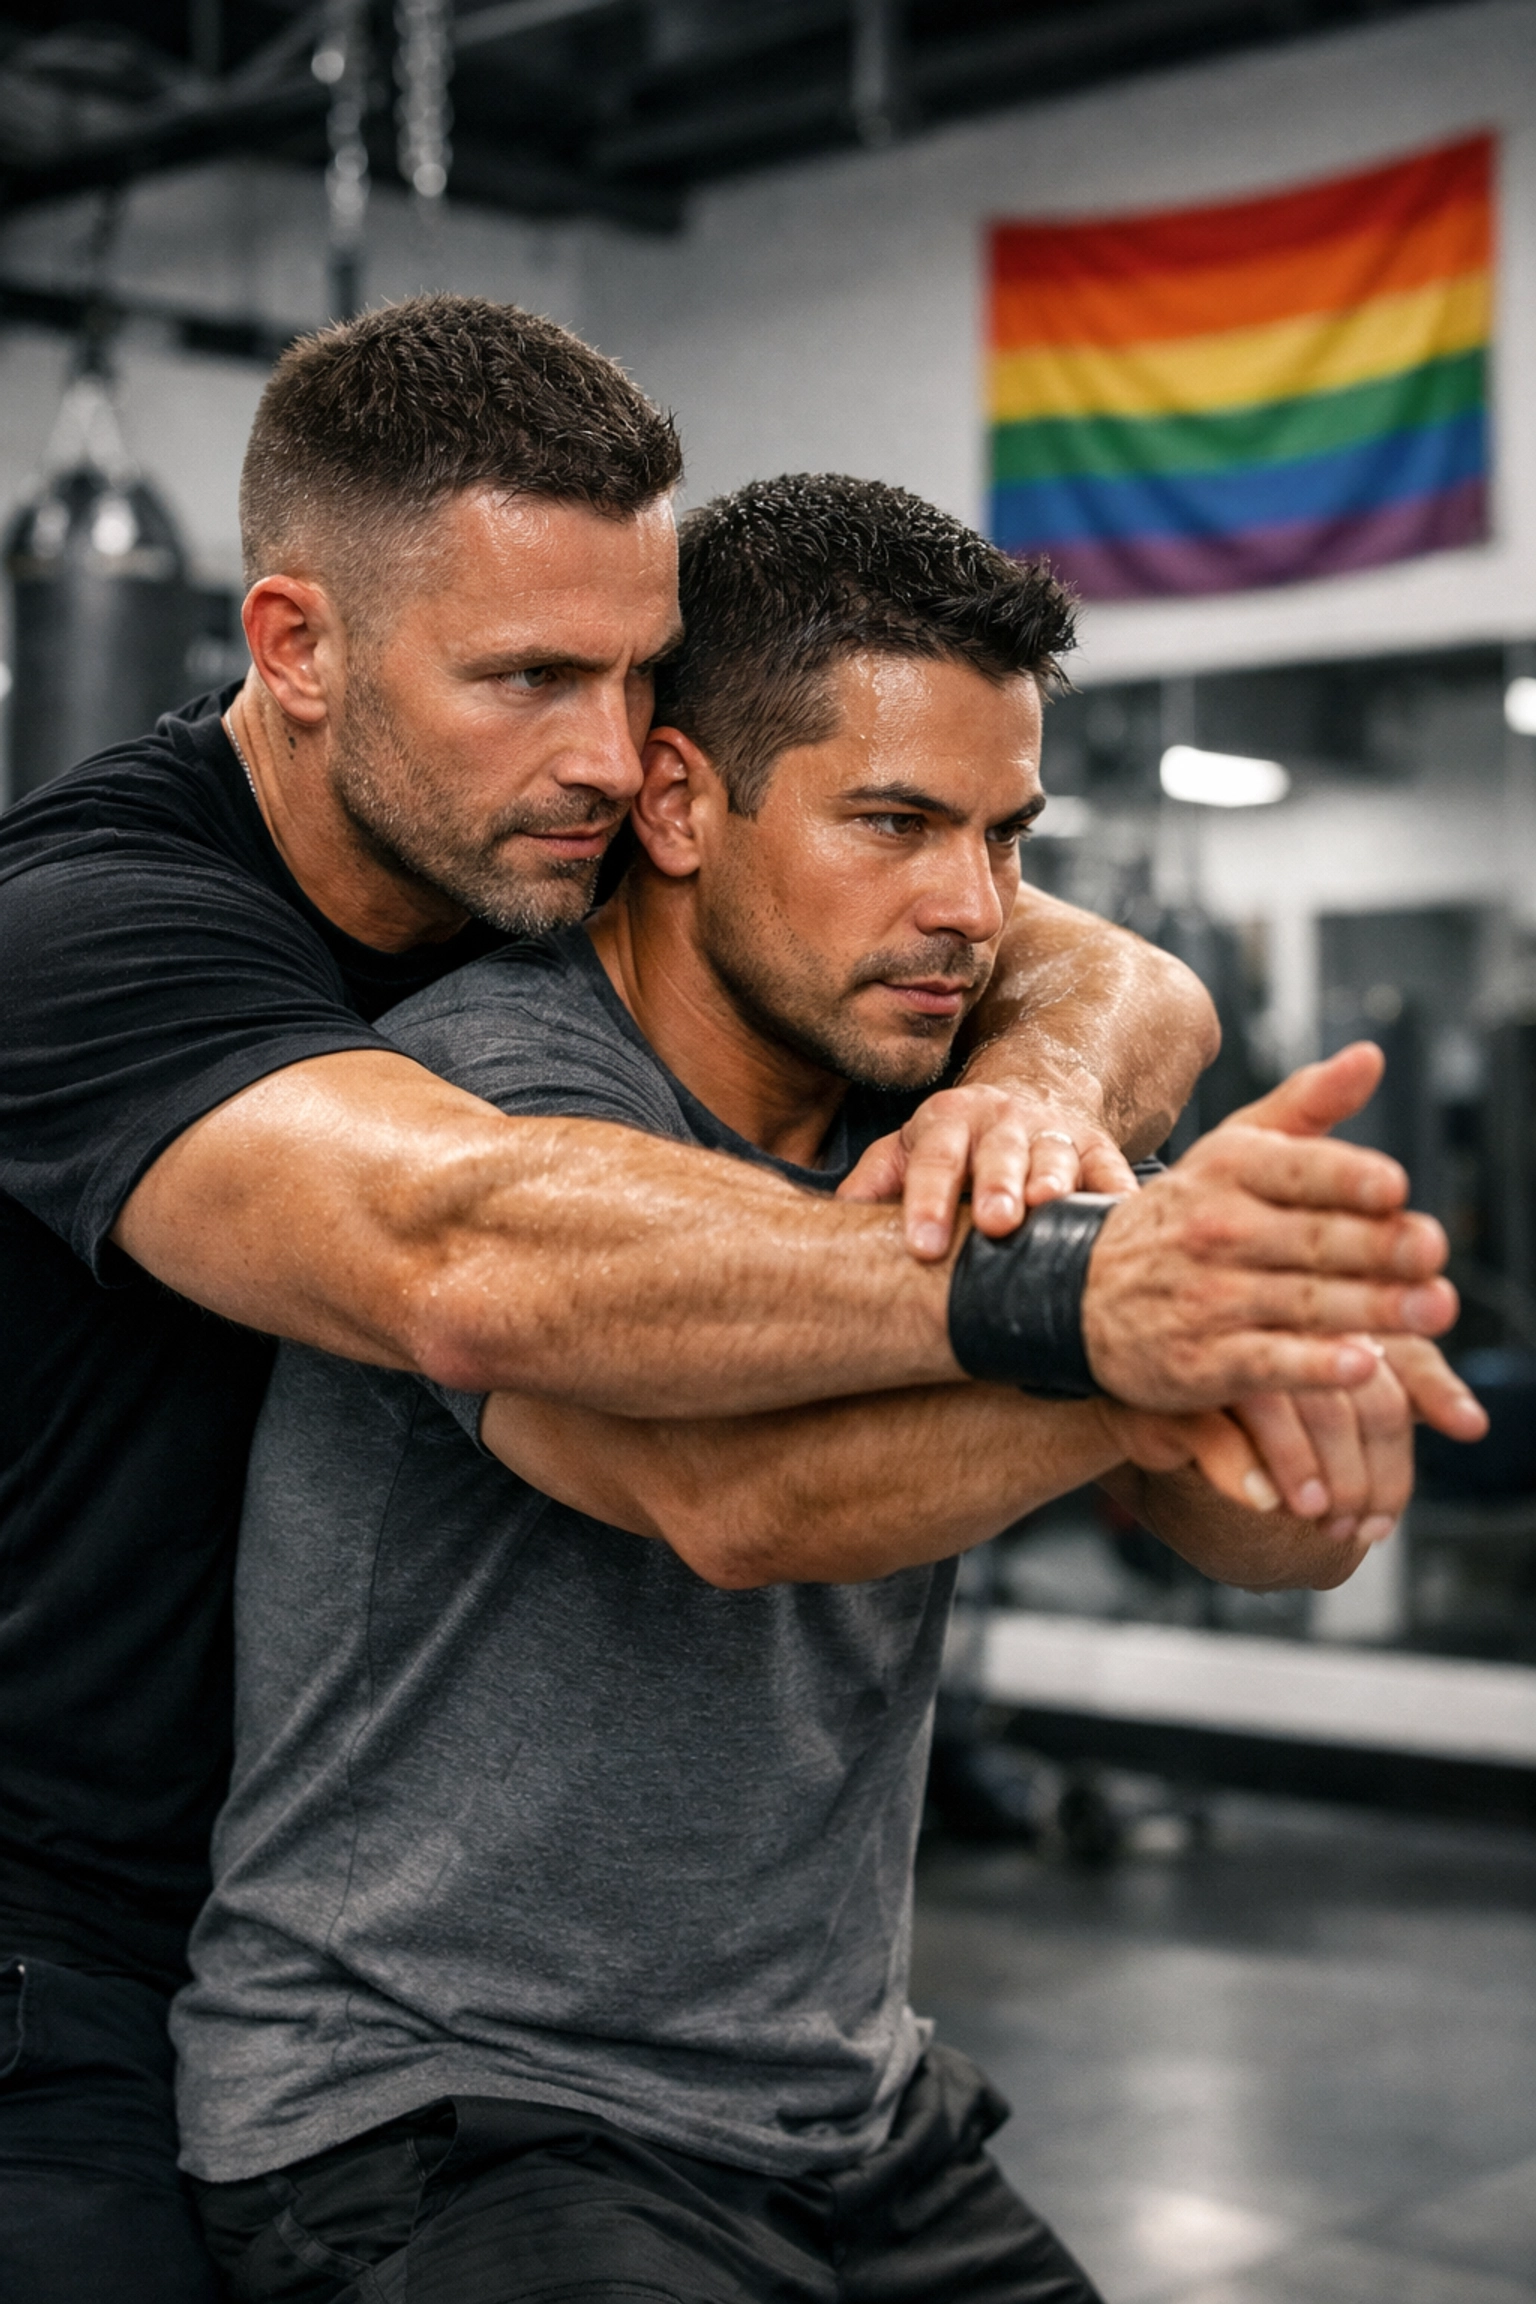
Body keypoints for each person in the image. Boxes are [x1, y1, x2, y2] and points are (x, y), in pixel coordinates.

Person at [0, 295, 1471, 2302]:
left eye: (630, 680)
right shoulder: (115, 936)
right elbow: (477, 1261)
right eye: (530, 677)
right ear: (296, 651)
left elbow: (1100, 964)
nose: (602, 757)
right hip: (94, 1940)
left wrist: (1043, 1129)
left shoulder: (665, 894)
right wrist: (1086, 1306)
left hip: (766, 2075)